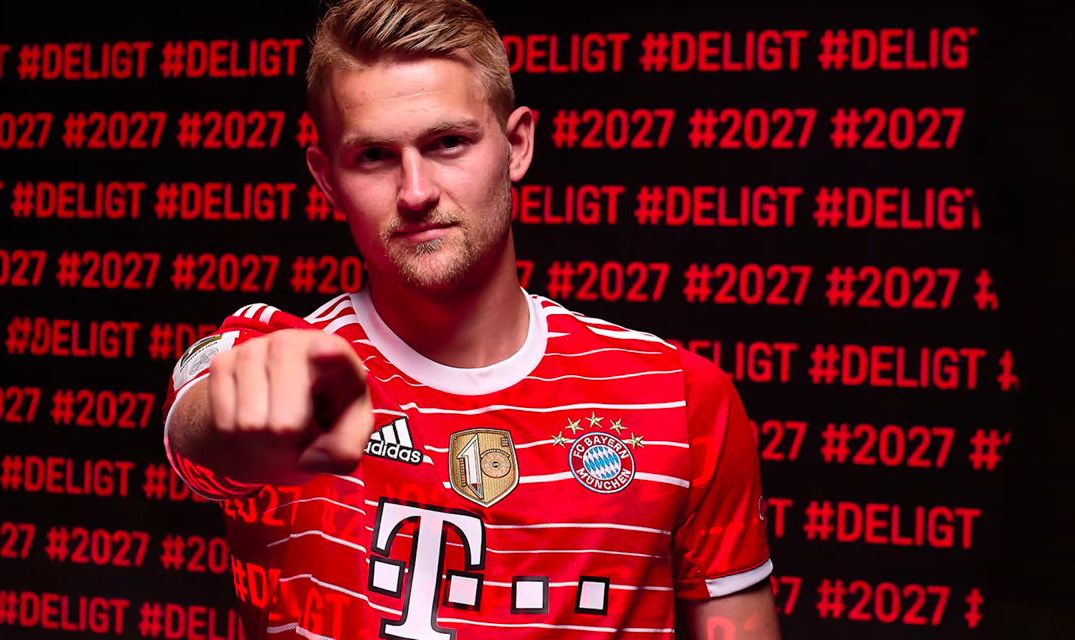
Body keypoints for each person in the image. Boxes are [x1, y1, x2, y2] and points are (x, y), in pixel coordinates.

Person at [161, 1, 780, 637]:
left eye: (448, 143)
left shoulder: (677, 397)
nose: (416, 192)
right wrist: (251, 414)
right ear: (326, 180)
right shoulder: (287, 354)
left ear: (517, 146)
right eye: (373, 155)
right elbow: (201, 423)